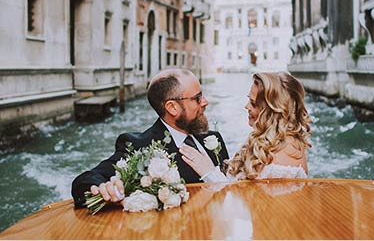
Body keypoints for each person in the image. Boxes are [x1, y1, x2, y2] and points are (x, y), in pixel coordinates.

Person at [71, 69, 229, 208]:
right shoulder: (138, 145)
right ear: (172, 107)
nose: (205, 102)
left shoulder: (214, 140)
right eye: (197, 98)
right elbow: (84, 181)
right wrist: (103, 187)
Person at [180, 71, 311, 182]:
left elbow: (246, 204)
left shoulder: (285, 154)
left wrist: (210, 173)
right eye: (249, 100)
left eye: (253, 104)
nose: (246, 106)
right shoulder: (266, 140)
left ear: (272, 111)